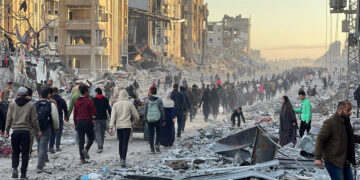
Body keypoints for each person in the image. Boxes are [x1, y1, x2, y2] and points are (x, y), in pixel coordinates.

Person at [314, 101, 360, 180]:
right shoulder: (330, 123)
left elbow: (350, 137)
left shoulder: (346, 122)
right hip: (334, 162)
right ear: (340, 110)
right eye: (348, 110)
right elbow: (320, 139)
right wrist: (318, 157)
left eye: (350, 110)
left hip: (345, 162)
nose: (350, 113)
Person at [5, 87, 41, 179]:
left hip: (15, 132)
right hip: (26, 132)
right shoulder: (30, 104)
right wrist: (38, 130)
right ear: (26, 95)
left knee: (15, 152)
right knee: (25, 154)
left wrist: (6, 131)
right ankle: (23, 175)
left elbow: (9, 118)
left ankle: (14, 168)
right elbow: (34, 119)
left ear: (18, 94)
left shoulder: (12, 104)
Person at [110, 89, 139, 167]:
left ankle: (121, 159)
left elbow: (112, 117)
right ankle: (123, 159)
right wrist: (137, 119)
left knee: (121, 142)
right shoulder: (130, 104)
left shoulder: (115, 105)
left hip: (119, 126)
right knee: (125, 143)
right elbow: (136, 115)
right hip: (127, 126)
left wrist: (111, 127)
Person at [35, 89, 59, 173]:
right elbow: (55, 117)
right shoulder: (51, 104)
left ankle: (41, 162)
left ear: (40, 95)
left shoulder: (35, 104)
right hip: (46, 128)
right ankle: (39, 166)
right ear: (48, 95)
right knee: (43, 147)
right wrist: (56, 128)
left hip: (36, 129)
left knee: (39, 145)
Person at [74, 85, 97, 163]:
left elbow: (75, 114)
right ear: (86, 92)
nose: (89, 92)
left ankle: (82, 159)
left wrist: (75, 124)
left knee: (81, 140)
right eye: (88, 91)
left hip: (79, 122)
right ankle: (86, 149)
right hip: (87, 121)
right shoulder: (89, 101)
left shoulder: (77, 101)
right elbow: (94, 112)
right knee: (91, 138)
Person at [145, 87, 165, 153]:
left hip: (150, 119)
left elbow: (145, 111)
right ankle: (157, 145)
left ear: (150, 92)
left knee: (151, 133)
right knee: (158, 132)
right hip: (158, 119)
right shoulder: (159, 100)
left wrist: (146, 119)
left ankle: (152, 149)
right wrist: (163, 119)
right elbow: (162, 110)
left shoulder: (147, 100)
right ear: (156, 92)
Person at [49, 87, 69, 153]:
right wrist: (66, 117)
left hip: (50, 117)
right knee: (59, 131)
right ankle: (57, 146)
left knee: (51, 131)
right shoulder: (61, 100)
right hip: (59, 117)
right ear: (57, 92)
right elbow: (66, 110)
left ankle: (50, 146)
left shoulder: (49, 100)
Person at [93, 88, 111, 153]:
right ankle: (101, 146)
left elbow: (92, 109)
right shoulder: (105, 99)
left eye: (95, 92)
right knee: (102, 133)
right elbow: (108, 108)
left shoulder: (94, 100)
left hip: (96, 118)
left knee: (98, 133)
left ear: (97, 92)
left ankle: (99, 146)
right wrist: (111, 115)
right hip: (104, 118)